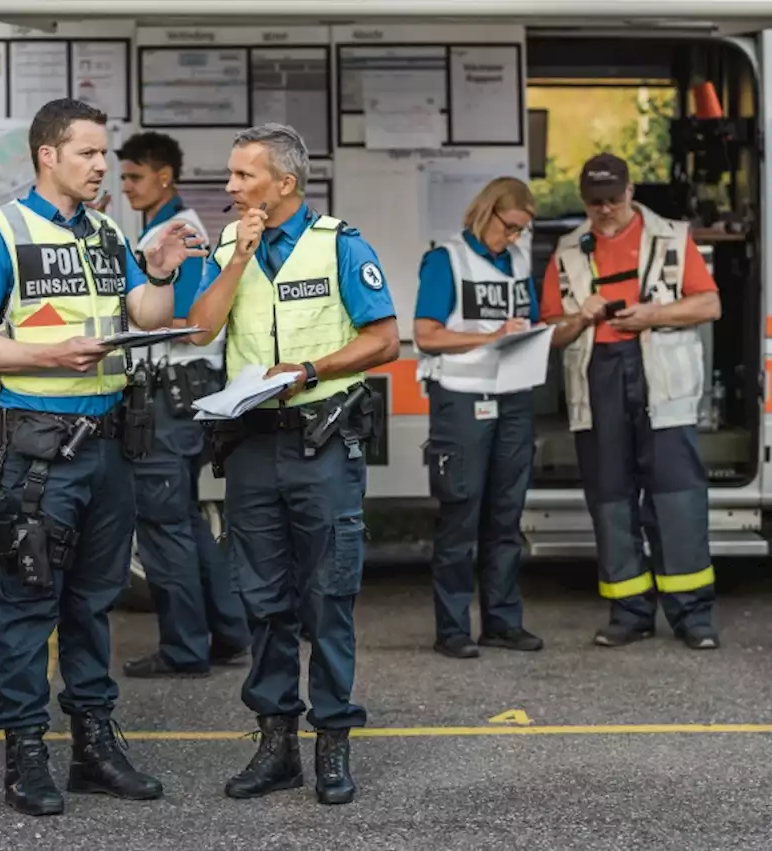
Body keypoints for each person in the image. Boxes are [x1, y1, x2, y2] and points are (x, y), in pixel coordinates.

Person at [0, 98, 206, 817]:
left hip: (109, 447)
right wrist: (47, 354)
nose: (102, 167)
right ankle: (25, 752)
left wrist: (157, 273)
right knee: (30, 603)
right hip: (40, 453)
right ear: (47, 156)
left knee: (94, 604)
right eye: (89, 153)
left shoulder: (106, 233)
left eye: (104, 153)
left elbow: (146, 319)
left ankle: (93, 745)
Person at [186, 123, 399, 805]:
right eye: (231, 174)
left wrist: (310, 367)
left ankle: (332, 740)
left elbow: (385, 339)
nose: (230, 187)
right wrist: (237, 261)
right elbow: (200, 329)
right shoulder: (229, 244)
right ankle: (275, 744)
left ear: (285, 183)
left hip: (322, 444)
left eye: (243, 176)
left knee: (328, 597)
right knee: (263, 598)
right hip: (250, 445)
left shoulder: (340, 244)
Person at [545, 152, 722, 650]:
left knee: (677, 498)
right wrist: (581, 317)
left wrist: (651, 314)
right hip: (597, 378)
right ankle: (629, 612)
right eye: (594, 201)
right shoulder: (568, 250)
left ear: (631, 192)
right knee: (611, 499)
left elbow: (710, 304)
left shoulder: (671, 236)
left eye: (612, 199)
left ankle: (693, 616)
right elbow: (551, 334)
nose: (604, 210)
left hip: (660, 380)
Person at [113, 131, 250, 680]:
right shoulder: (162, 226)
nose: (125, 186)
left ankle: (184, 649)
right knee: (182, 520)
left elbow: (185, 317)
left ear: (164, 175)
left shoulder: (178, 231)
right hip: (182, 392)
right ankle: (228, 631)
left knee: (161, 523)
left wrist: (122, 323)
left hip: (170, 394)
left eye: (134, 177)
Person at [413, 177, 562, 660]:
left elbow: (531, 319)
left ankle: (502, 622)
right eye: (511, 227)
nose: (515, 238)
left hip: (513, 394)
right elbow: (427, 335)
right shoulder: (447, 259)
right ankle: (452, 629)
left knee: (506, 513)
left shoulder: (518, 260)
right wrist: (489, 336)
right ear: (487, 212)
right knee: (460, 513)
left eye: (522, 230)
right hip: (460, 396)